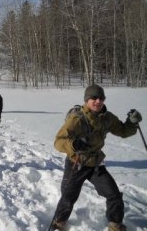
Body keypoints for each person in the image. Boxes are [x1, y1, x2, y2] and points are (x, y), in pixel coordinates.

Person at [51, 85, 142, 231]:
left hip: (96, 164)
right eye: (94, 98)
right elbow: (58, 141)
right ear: (87, 100)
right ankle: (59, 222)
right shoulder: (77, 119)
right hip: (77, 163)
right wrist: (73, 144)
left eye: (101, 98)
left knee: (114, 195)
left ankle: (115, 224)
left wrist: (132, 123)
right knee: (68, 197)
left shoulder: (107, 118)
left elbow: (123, 131)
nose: (98, 101)